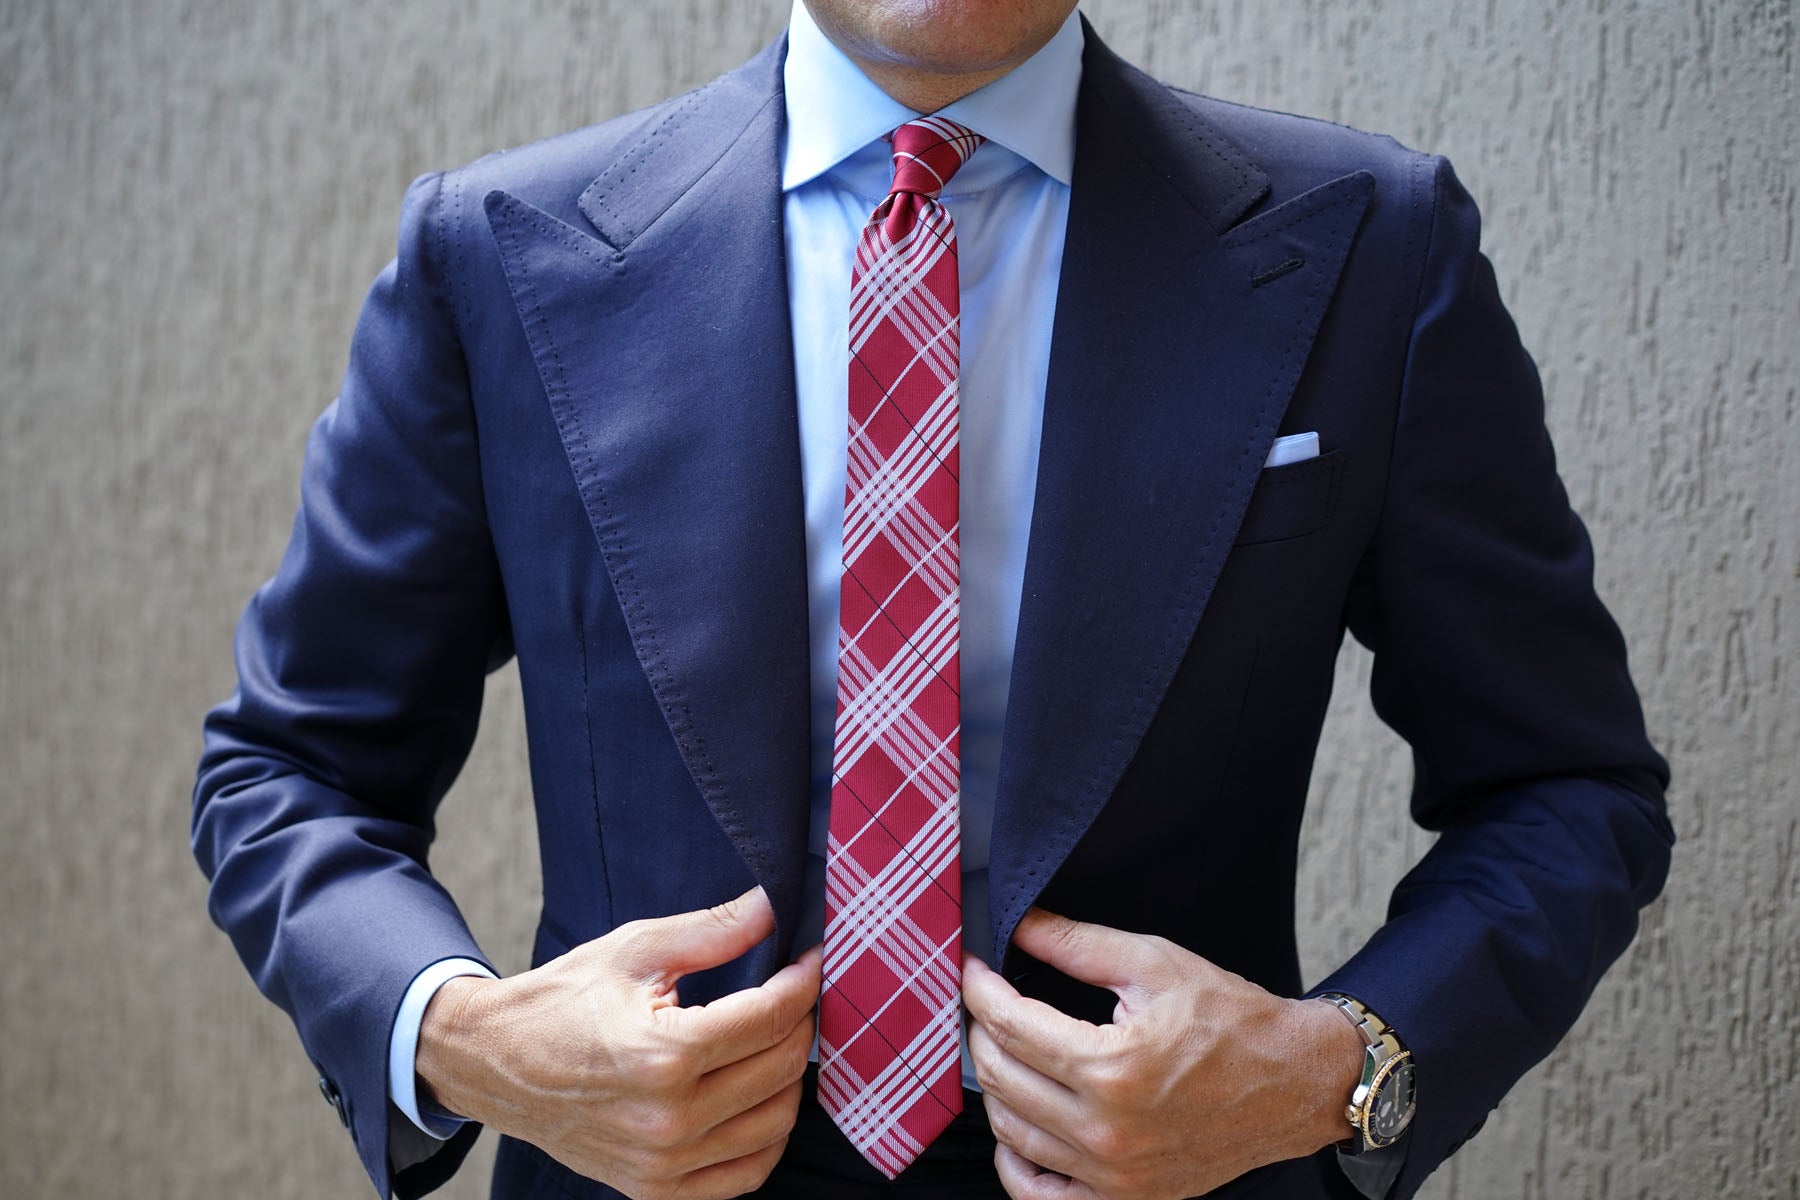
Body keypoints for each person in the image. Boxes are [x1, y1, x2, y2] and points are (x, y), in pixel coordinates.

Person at [191, 2, 1673, 1198]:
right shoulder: (499, 252)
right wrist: (465, 1037)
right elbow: (291, 771)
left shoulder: (1370, 246)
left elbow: (1568, 785)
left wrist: (1335, 1069)